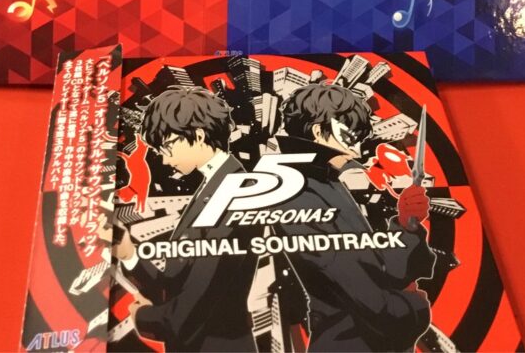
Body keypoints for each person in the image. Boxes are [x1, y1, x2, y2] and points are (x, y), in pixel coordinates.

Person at [275, 83, 436, 352]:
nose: (356, 149)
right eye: (349, 135)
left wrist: (406, 225)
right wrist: (416, 305)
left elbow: (380, 268)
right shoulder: (299, 195)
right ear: (318, 131)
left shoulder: (328, 184)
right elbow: (368, 300)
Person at [113, 86, 260, 352]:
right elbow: (178, 282)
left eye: (167, 147)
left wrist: (142, 317)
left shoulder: (235, 192)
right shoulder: (214, 185)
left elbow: (192, 308)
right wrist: (129, 254)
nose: (165, 160)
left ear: (199, 135)